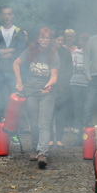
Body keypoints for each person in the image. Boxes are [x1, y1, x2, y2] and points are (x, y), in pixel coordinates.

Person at [13, 26, 59, 169]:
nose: (45, 40)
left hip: (46, 93)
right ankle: (34, 148)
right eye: (42, 37)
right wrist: (19, 82)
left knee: (43, 123)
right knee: (33, 123)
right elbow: (16, 63)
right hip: (31, 91)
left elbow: (54, 77)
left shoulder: (53, 54)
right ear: (38, 39)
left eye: (47, 38)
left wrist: (46, 86)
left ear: (50, 40)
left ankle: (42, 153)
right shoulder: (31, 51)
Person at [0, 7, 28, 144]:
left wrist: (2, 51)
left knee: (13, 105)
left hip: (13, 73)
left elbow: (20, 52)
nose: (7, 16)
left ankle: (13, 133)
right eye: (4, 14)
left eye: (9, 14)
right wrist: (10, 51)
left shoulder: (19, 31)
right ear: (1, 16)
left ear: (13, 15)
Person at [69, 33, 90, 136]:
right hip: (76, 82)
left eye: (86, 40)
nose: (84, 42)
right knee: (78, 105)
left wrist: (84, 68)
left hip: (87, 83)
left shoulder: (91, 54)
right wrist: (85, 69)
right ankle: (77, 127)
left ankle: (86, 126)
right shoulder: (76, 52)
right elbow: (74, 66)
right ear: (80, 42)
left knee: (87, 106)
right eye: (83, 40)